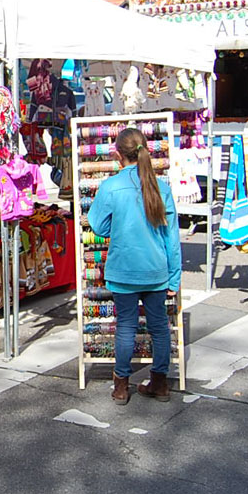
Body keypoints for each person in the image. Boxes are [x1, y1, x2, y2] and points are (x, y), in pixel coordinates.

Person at [88, 127, 181, 405]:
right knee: (159, 327)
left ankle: (120, 386)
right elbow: (172, 239)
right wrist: (174, 279)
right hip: (156, 270)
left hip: (124, 269)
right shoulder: (160, 188)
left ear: (118, 154)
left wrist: (118, 228)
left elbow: (97, 225)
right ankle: (160, 383)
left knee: (126, 327)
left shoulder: (111, 186)